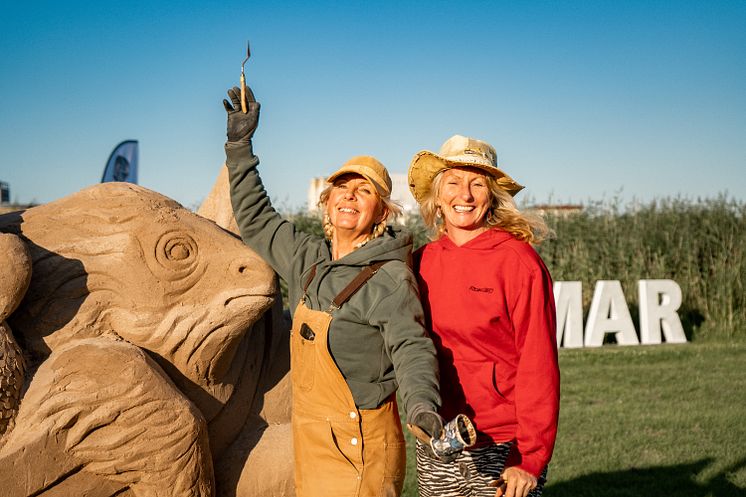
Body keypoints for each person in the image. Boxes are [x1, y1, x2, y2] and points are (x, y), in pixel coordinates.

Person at [222, 85, 444, 497]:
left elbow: (412, 347)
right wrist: (240, 145)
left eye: (365, 191)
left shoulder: (390, 277)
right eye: (342, 187)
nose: (350, 196)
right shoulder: (307, 258)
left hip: (361, 445)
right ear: (327, 202)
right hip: (310, 440)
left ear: (381, 212)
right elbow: (254, 216)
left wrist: (421, 404)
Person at [407, 135, 560, 497]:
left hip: (503, 441)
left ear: (491, 195)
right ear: (437, 196)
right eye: (454, 182)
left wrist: (529, 457)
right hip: (438, 441)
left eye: (477, 183)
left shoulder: (518, 261)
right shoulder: (419, 263)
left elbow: (539, 364)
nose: (466, 194)